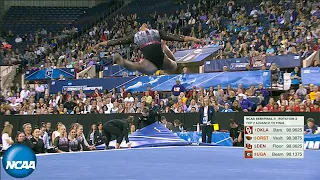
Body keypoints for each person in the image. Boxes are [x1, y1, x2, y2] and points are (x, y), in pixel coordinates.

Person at [93, 23, 202, 75]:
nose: (143, 25)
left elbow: (116, 41)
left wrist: (100, 44)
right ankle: (164, 48)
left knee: (138, 66)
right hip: (160, 58)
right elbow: (178, 38)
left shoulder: (136, 36)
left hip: (150, 60)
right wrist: (193, 38)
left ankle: (123, 62)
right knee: (173, 65)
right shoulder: (156, 32)